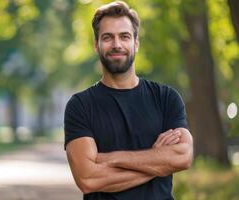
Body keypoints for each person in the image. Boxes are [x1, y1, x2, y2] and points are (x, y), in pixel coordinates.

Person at [63, 1, 193, 200]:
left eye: (124, 36)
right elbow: (88, 179)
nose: (117, 44)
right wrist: (158, 162)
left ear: (136, 43)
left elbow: (183, 156)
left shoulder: (166, 98)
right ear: (96, 45)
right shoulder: (80, 106)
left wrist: (110, 158)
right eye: (108, 37)